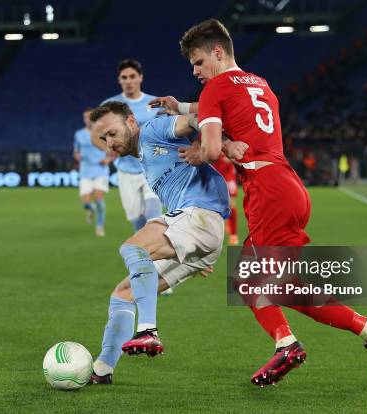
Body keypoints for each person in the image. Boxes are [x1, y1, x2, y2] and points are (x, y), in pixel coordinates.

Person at [150, 18, 367, 386]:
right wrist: (181, 106)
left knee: (247, 279)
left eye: (198, 61)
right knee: (286, 289)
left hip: (267, 191)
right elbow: (230, 110)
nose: (195, 70)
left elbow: (214, 145)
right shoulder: (259, 83)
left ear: (218, 52)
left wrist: (199, 153)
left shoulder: (215, 88)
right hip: (287, 186)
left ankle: (287, 345)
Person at [88, 101, 230, 384]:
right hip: (199, 232)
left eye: (113, 133)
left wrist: (208, 145)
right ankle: (103, 369)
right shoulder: (144, 157)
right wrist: (193, 252)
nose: (109, 143)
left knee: (132, 247)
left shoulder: (152, 130)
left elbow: (198, 118)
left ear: (131, 123)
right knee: (123, 293)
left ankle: (148, 331)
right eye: (104, 139)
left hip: (199, 215)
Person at [98, 59, 163, 231]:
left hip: (152, 167)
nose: (128, 81)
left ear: (140, 77)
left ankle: (161, 254)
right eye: (124, 77)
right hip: (126, 171)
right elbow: (96, 136)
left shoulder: (154, 103)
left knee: (153, 214)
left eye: (132, 76)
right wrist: (108, 147)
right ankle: (147, 253)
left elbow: (164, 132)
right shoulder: (109, 106)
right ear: (119, 80)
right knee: (137, 221)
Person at [73, 108, 110, 236]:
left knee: (99, 197)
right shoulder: (79, 134)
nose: (87, 119)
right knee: (86, 202)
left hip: (100, 170)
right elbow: (76, 151)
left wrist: (108, 159)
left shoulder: (104, 132)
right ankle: (91, 210)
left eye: (90, 116)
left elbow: (113, 149)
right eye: (85, 117)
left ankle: (99, 227)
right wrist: (77, 157)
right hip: (85, 170)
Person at [213, 153, 239, 244]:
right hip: (217, 180)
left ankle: (233, 234)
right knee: (216, 209)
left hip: (228, 179)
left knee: (231, 206)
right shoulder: (214, 149)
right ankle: (218, 233)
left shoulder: (230, 147)